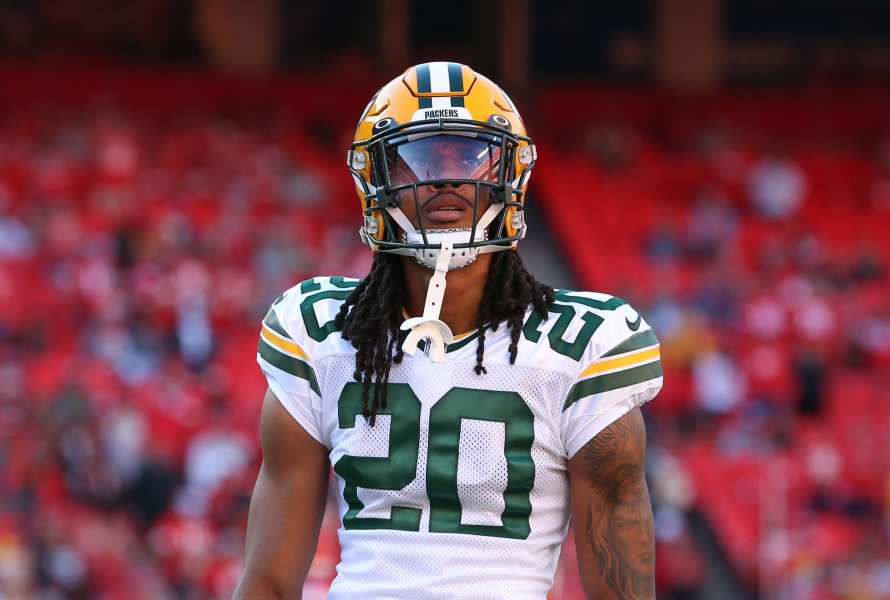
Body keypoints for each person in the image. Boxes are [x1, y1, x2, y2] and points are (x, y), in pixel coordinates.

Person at [233, 62, 663, 600]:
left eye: (469, 155)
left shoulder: (582, 348)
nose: (446, 177)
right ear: (376, 179)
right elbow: (267, 582)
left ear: (510, 173)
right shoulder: (323, 336)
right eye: (418, 158)